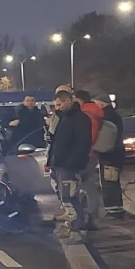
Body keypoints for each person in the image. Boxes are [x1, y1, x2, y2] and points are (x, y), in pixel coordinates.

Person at [46, 89, 93, 243]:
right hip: (61, 165)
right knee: (66, 198)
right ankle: (71, 227)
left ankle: (77, 230)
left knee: (71, 197)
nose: (57, 108)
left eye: (59, 104)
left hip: (69, 166)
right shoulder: (64, 118)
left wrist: (70, 163)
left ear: (68, 101)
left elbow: (82, 144)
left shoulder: (79, 119)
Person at [73, 89, 106, 224]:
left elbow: (90, 136)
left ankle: (90, 216)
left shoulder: (87, 114)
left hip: (87, 154)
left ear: (79, 100)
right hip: (91, 153)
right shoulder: (93, 111)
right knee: (88, 184)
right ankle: (91, 215)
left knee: (86, 185)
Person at [93, 94, 125, 218]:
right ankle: (114, 209)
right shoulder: (113, 115)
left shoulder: (107, 117)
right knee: (111, 181)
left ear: (101, 104)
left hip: (110, 155)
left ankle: (115, 211)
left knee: (110, 183)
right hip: (114, 153)